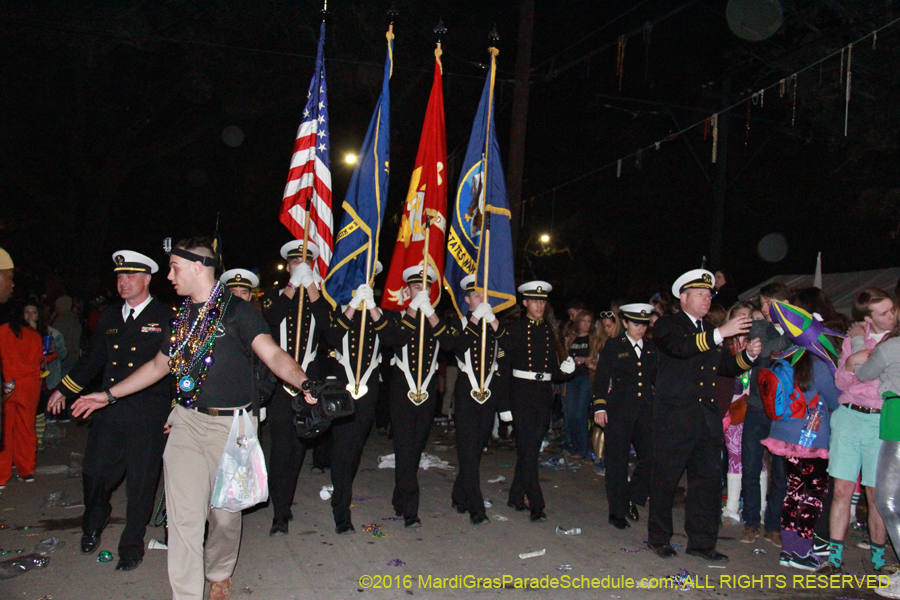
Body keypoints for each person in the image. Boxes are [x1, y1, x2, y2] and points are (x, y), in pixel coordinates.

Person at [69, 236, 315, 600]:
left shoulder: (238, 311)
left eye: (174, 267)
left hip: (231, 429)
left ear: (197, 267)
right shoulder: (181, 316)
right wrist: (108, 394)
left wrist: (304, 381)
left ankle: (218, 572)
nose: (169, 275)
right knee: (183, 520)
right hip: (186, 422)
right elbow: (158, 366)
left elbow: (274, 355)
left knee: (225, 517)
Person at [47, 251, 173, 571]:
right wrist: (64, 388)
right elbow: (91, 360)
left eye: (130, 276)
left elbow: (175, 372)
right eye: (119, 277)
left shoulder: (166, 316)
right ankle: (94, 519)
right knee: (95, 473)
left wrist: (177, 410)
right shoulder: (110, 316)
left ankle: (131, 543)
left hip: (148, 414)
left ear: (147, 279)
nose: (123, 282)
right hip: (109, 410)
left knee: (141, 483)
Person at [647, 269, 760, 562]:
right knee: (666, 480)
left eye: (709, 294)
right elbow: (681, 349)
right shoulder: (668, 325)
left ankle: (702, 541)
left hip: (706, 418)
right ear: (683, 298)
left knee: (708, 483)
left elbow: (725, 366)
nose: (707, 299)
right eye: (700, 294)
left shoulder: (708, 330)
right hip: (674, 417)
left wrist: (748, 356)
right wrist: (722, 332)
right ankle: (659, 537)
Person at [759, 301, 842, 570]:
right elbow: (835, 400)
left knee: (792, 493)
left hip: (783, 438)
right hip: (810, 441)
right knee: (812, 497)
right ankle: (802, 553)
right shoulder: (817, 365)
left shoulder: (786, 357)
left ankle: (789, 549)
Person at [818, 288, 895, 575]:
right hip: (849, 416)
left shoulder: (894, 340)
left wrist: (862, 360)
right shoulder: (852, 341)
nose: (891, 315)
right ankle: (834, 558)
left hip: (879, 419)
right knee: (841, 489)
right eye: (884, 313)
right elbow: (841, 381)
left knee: (875, 492)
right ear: (867, 318)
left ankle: (878, 560)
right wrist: (850, 362)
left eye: (891, 310)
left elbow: (879, 375)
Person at [263, 240, 330, 536]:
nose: (299, 266)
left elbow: (329, 328)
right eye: (294, 263)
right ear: (288, 267)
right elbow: (271, 318)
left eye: (304, 263)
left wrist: (312, 286)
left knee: (298, 447)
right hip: (279, 385)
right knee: (280, 448)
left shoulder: (317, 298)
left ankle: (286, 497)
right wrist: (292, 285)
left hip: (308, 385)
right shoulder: (274, 296)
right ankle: (280, 511)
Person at [378, 266, 454, 528]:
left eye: (425, 287)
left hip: (427, 390)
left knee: (415, 447)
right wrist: (412, 309)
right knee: (403, 447)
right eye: (415, 287)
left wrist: (430, 313)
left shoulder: (436, 319)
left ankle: (400, 496)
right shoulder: (398, 316)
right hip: (402, 389)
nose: (420, 291)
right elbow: (393, 339)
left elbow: (450, 345)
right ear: (406, 291)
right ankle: (411, 509)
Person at [319, 263, 386, 534]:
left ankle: (342, 485)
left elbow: (392, 336)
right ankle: (341, 511)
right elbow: (332, 337)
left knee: (356, 447)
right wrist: (352, 305)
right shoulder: (339, 310)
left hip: (369, 389)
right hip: (343, 388)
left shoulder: (380, 313)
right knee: (342, 447)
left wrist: (370, 306)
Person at [501, 281, 576, 523]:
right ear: (524, 303)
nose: (539, 305)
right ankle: (536, 503)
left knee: (530, 449)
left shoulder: (549, 331)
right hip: (521, 393)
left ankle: (515, 495)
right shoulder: (514, 329)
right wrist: (503, 405)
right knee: (528, 449)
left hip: (542, 394)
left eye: (542, 301)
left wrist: (566, 371)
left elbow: (551, 371)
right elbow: (502, 368)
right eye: (534, 301)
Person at [448, 274, 511, 525]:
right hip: (466, 393)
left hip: (489, 394)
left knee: (475, 450)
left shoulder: (494, 327)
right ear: (467, 299)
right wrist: (475, 318)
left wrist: (493, 319)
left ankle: (458, 493)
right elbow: (459, 346)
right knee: (466, 447)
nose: (482, 299)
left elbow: (508, 350)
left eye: (484, 296)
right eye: (476, 296)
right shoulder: (460, 323)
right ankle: (477, 507)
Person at [592, 303, 657, 530]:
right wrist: (600, 407)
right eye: (635, 323)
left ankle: (632, 496)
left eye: (643, 324)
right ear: (626, 323)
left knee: (651, 457)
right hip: (619, 410)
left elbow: (657, 378)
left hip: (645, 411)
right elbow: (601, 378)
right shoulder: (614, 345)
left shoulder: (651, 347)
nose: (640, 328)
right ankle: (617, 512)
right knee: (617, 461)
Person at [740, 282, 792, 546]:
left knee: (781, 473)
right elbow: (766, 356)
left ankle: (773, 525)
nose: (763, 308)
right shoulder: (761, 326)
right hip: (758, 408)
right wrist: (798, 333)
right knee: (750, 466)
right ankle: (750, 522)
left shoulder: (793, 331)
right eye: (762, 303)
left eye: (768, 303)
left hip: (784, 414)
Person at [857, 309, 900, 598]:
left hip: (897, 421)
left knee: (887, 501)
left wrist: (859, 341)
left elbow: (863, 372)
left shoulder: (891, 347)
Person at [720, 302, 758, 525]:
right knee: (734, 453)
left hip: (753, 404)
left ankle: (757, 507)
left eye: (749, 317)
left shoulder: (757, 342)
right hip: (731, 405)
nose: (746, 320)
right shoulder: (724, 343)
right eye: (741, 316)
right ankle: (732, 506)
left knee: (755, 457)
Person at [0, 304, 43, 488]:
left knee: (5, 430)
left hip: (8, 385)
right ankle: (27, 470)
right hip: (30, 386)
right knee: (26, 427)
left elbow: (5, 359)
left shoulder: (3, 331)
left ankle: (2, 475)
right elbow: (42, 359)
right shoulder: (34, 334)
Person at [24, 303, 65, 450]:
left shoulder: (46, 333)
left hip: (39, 380)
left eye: (33, 312)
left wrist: (50, 354)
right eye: (26, 313)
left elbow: (55, 354)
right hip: (21, 380)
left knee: (38, 412)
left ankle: (38, 442)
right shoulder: (16, 333)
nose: (30, 316)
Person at [563, 310, 600, 460]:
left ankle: (582, 449)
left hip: (585, 378)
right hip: (571, 379)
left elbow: (597, 360)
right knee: (570, 414)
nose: (586, 324)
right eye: (583, 320)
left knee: (580, 413)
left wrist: (585, 360)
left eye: (589, 321)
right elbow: (563, 356)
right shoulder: (570, 339)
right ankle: (573, 445)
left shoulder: (594, 340)